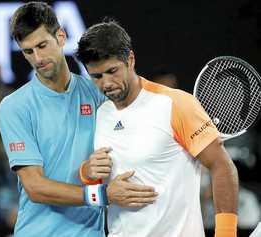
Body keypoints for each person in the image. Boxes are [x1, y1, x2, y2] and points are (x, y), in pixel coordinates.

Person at [0, 2, 156, 237]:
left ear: (61, 36)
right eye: (28, 51)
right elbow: (35, 187)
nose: (38, 58)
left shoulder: (96, 92)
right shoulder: (13, 107)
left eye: (42, 45)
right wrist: (102, 195)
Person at [76, 20, 239, 237]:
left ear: (130, 59)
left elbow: (222, 167)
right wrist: (88, 174)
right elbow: (104, 185)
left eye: (112, 71)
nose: (106, 83)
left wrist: (226, 234)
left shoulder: (176, 104)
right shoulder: (99, 114)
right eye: (96, 76)